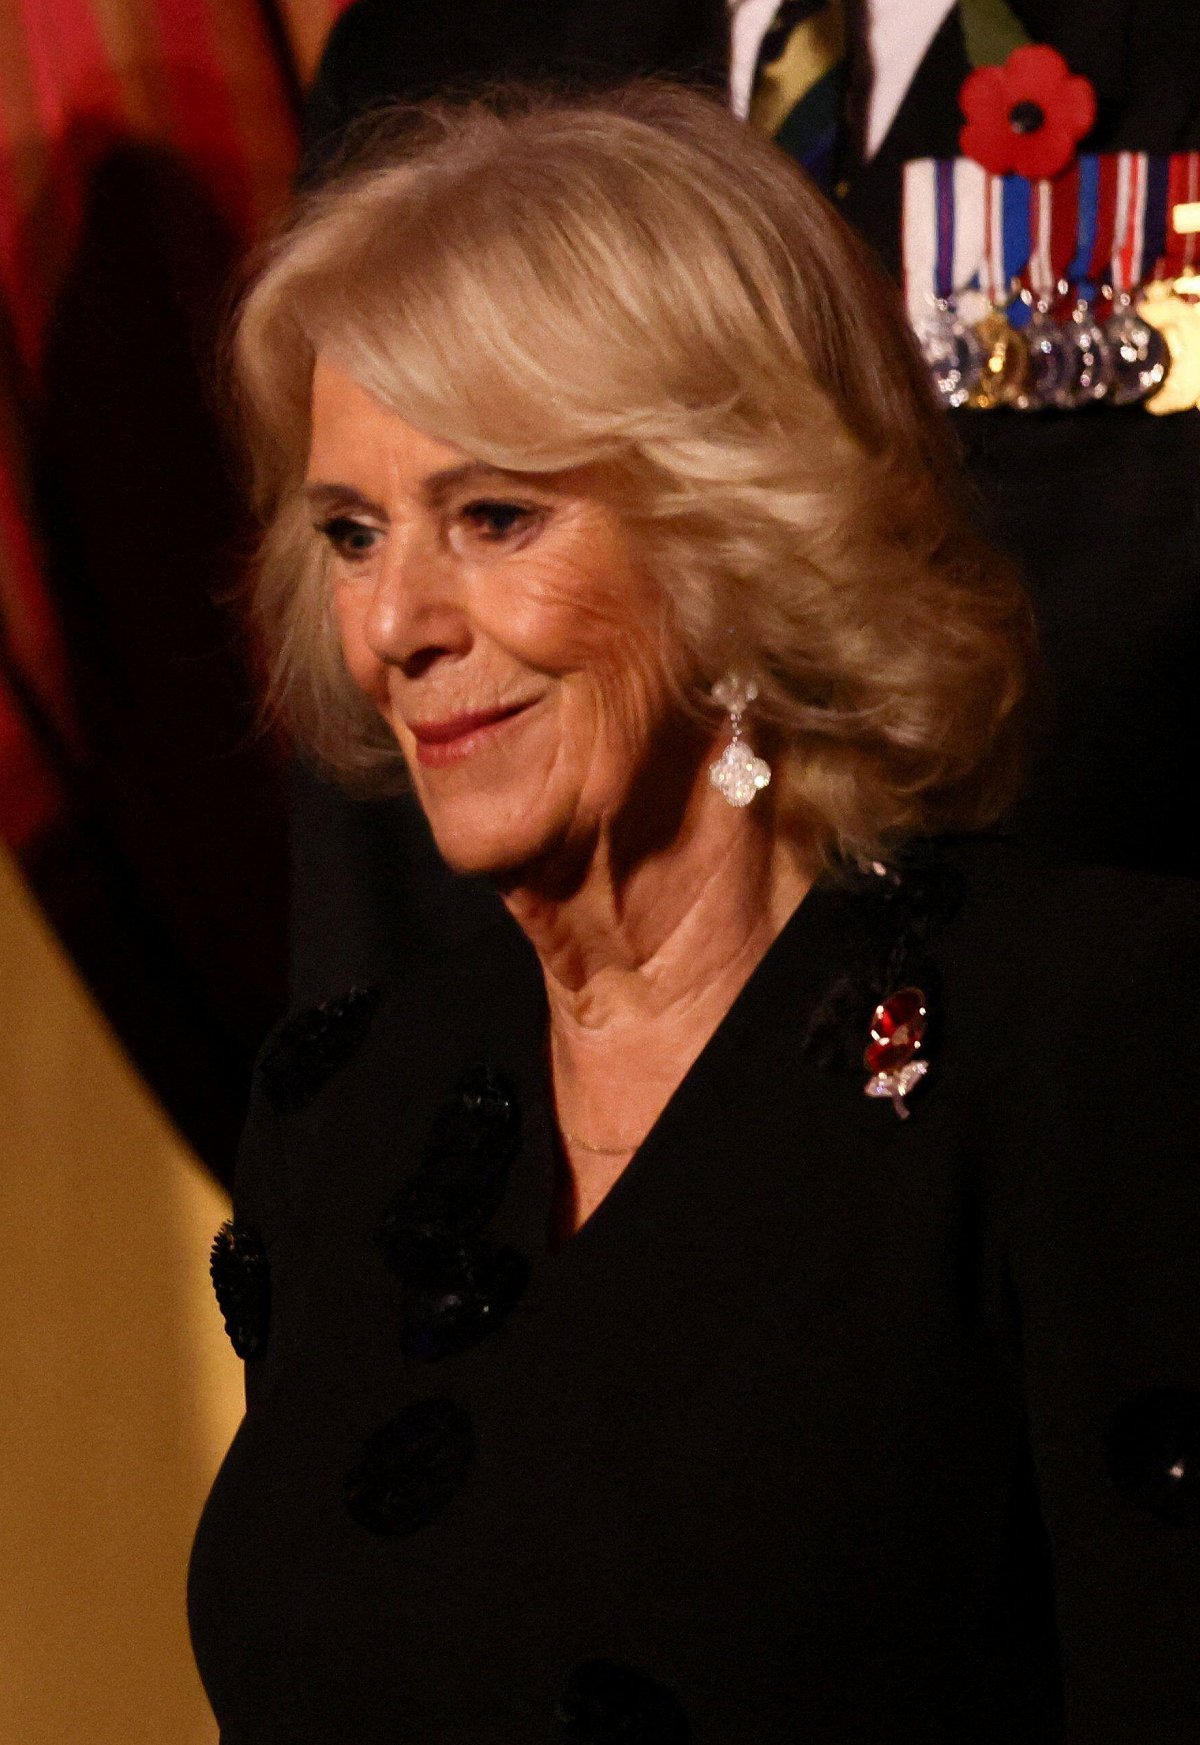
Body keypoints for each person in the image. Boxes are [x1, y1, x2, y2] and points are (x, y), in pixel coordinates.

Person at [189, 85, 1200, 1743]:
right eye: (353, 535)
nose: (392, 624)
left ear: (733, 531)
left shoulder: (1081, 1037)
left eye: (494, 517)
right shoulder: (353, 1101)